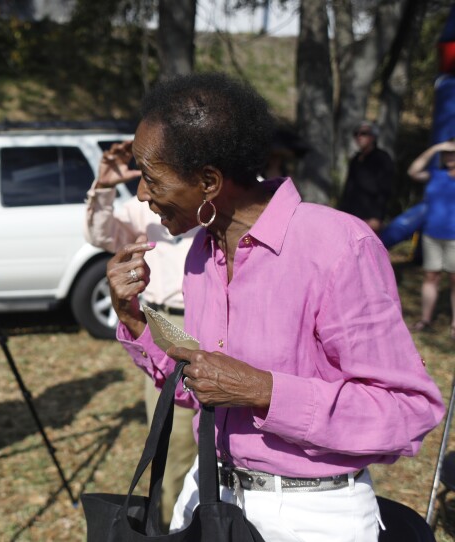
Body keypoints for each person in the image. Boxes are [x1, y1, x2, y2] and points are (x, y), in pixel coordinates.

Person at [106, 73, 444, 541]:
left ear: (208, 181)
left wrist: (264, 390)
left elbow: (406, 411)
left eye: (151, 177)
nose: (141, 193)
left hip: (311, 516)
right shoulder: (203, 253)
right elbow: (200, 387)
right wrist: (132, 318)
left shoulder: (337, 246)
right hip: (206, 500)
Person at [84, 144, 198, 526]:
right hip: (166, 326)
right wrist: (103, 186)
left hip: (218, 323)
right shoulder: (144, 207)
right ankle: (168, 528)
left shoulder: (224, 200)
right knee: (172, 446)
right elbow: (102, 234)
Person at [406, 138, 455, 336]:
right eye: (447, 153)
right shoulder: (436, 174)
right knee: (430, 276)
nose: (449, 156)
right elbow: (413, 171)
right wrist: (435, 148)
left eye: (453, 153)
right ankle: (426, 319)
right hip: (431, 235)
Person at [338, 120, 395, 233]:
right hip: (350, 215)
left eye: (364, 133)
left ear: (373, 137)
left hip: (370, 217)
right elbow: (349, 188)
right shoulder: (355, 159)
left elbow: (385, 189)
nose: (359, 137)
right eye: (356, 134)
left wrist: (377, 217)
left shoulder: (382, 158)